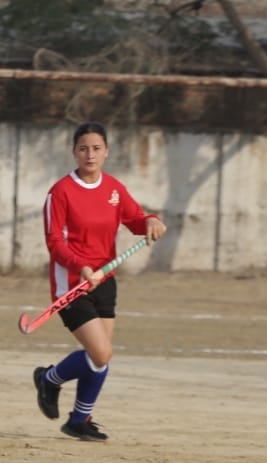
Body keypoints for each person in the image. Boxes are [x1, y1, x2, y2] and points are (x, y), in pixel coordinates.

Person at [31, 121, 166, 442]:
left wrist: (152, 220)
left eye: (96, 148)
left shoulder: (114, 189)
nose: (89, 155)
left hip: (105, 280)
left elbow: (135, 219)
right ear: (74, 152)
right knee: (101, 353)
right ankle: (49, 379)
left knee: (98, 357)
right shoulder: (60, 192)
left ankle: (79, 419)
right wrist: (82, 267)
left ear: (106, 151)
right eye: (83, 149)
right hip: (73, 284)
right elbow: (54, 242)